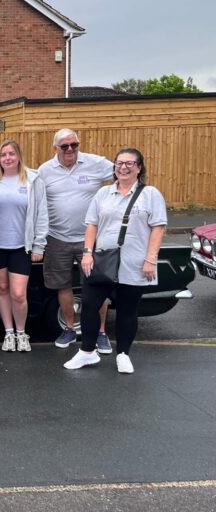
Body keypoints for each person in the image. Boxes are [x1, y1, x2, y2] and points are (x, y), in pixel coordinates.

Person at [65, 148, 166, 374]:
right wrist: (87, 252)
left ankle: (123, 354)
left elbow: (158, 227)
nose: (123, 167)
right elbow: (91, 224)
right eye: (119, 163)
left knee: (128, 310)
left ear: (139, 168)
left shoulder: (150, 194)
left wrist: (151, 258)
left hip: (135, 262)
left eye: (129, 163)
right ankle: (87, 352)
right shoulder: (103, 194)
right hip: (102, 261)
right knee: (90, 305)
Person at [38, 128, 114, 352]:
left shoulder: (95, 163)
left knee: (97, 286)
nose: (70, 149)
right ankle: (70, 329)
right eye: (65, 146)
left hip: (90, 239)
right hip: (56, 238)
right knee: (62, 285)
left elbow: (123, 177)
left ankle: (100, 332)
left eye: (74, 144)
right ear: (55, 148)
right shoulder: (45, 170)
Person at [0, 140, 48, 352]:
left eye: (11, 154)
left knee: (19, 294)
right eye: (4, 155)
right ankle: (9, 333)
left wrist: (39, 244)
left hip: (21, 246)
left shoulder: (32, 180)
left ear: (19, 156)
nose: (8, 158)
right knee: (2, 289)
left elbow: (41, 214)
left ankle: (22, 333)